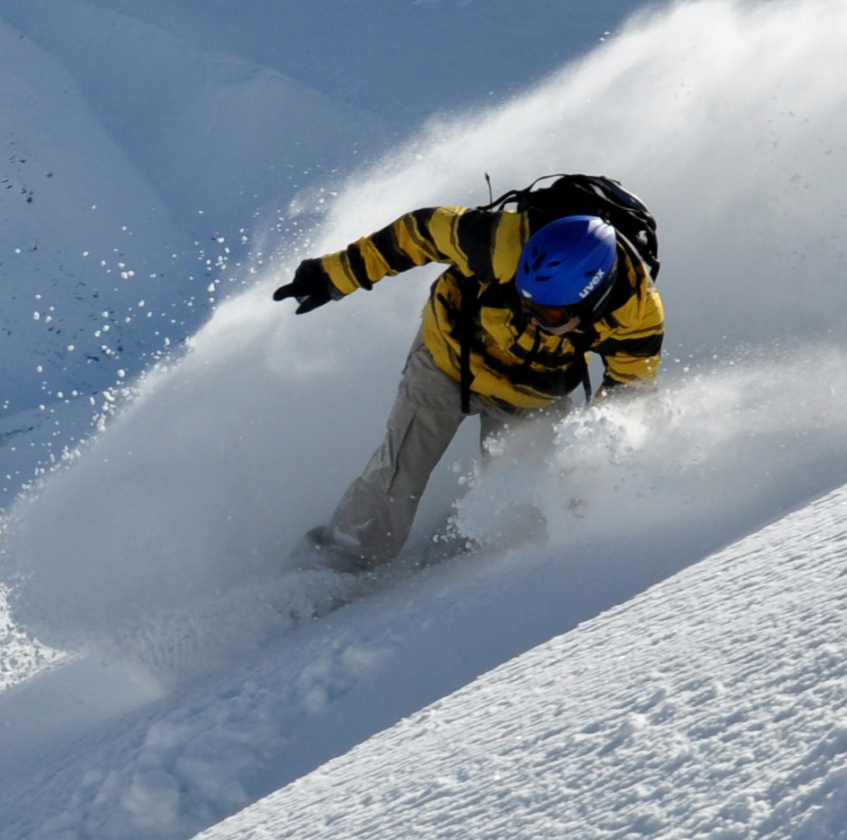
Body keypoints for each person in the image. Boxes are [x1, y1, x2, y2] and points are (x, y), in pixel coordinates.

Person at [271, 187, 663, 572]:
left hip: (531, 393)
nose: (531, 318)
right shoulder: (502, 242)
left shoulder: (637, 317)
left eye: (550, 316)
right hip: (448, 357)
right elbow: (415, 233)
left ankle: (466, 572)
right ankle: (336, 562)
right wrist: (331, 276)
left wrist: (587, 464)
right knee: (397, 473)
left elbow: (628, 397)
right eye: (523, 300)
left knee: (520, 506)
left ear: (591, 301)